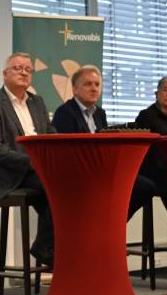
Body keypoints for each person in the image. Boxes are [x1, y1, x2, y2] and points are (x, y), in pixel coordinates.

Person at [0, 52, 55, 267]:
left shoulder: (37, 102)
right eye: (18, 68)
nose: (24, 72)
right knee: (57, 188)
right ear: (4, 74)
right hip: (10, 174)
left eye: (28, 69)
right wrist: (32, 163)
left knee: (67, 188)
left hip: (38, 172)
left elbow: (50, 134)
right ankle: (47, 247)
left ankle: (53, 246)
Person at [51, 65, 155, 220]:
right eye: (88, 84)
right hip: (80, 173)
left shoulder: (100, 113)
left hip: (103, 169)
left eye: (97, 84)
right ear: (74, 89)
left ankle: (114, 222)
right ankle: (105, 222)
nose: (94, 89)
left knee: (145, 187)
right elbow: (69, 152)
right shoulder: (64, 112)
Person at [134, 76, 167, 269]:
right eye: (165, 89)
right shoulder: (146, 116)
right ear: (156, 93)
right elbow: (143, 151)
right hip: (156, 174)